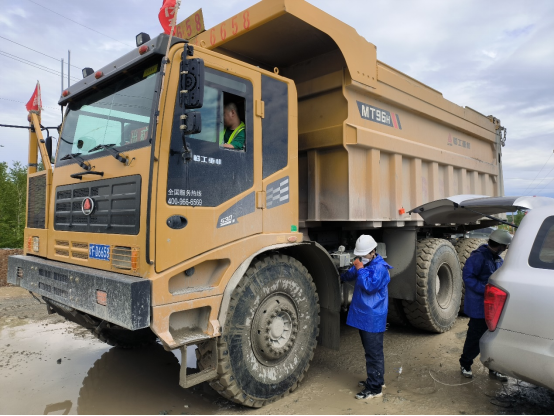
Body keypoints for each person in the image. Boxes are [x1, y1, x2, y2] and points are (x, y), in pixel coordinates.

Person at [341, 234, 393, 400]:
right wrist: (342, 275)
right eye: (360, 255)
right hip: (367, 316)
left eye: (364, 255)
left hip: (373, 317)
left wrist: (360, 269)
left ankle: (374, 388)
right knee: (372, 351)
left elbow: (369, 286)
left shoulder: (380, 268)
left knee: (373, 353)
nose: (361, 258)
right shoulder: (367, 263)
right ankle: (377, 380)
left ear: (373, 251)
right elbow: (352, 274)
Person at [459, 229, 513, 381]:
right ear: (500, 245)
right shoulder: (478, 257)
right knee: (475, 336)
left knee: (495, 338)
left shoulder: (497, 258)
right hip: (479, 307)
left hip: (494, 306)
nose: (506, 248)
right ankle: (465, 364)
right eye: (506, 246)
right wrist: (487, 291)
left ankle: (494, 368)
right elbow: (468, 277)